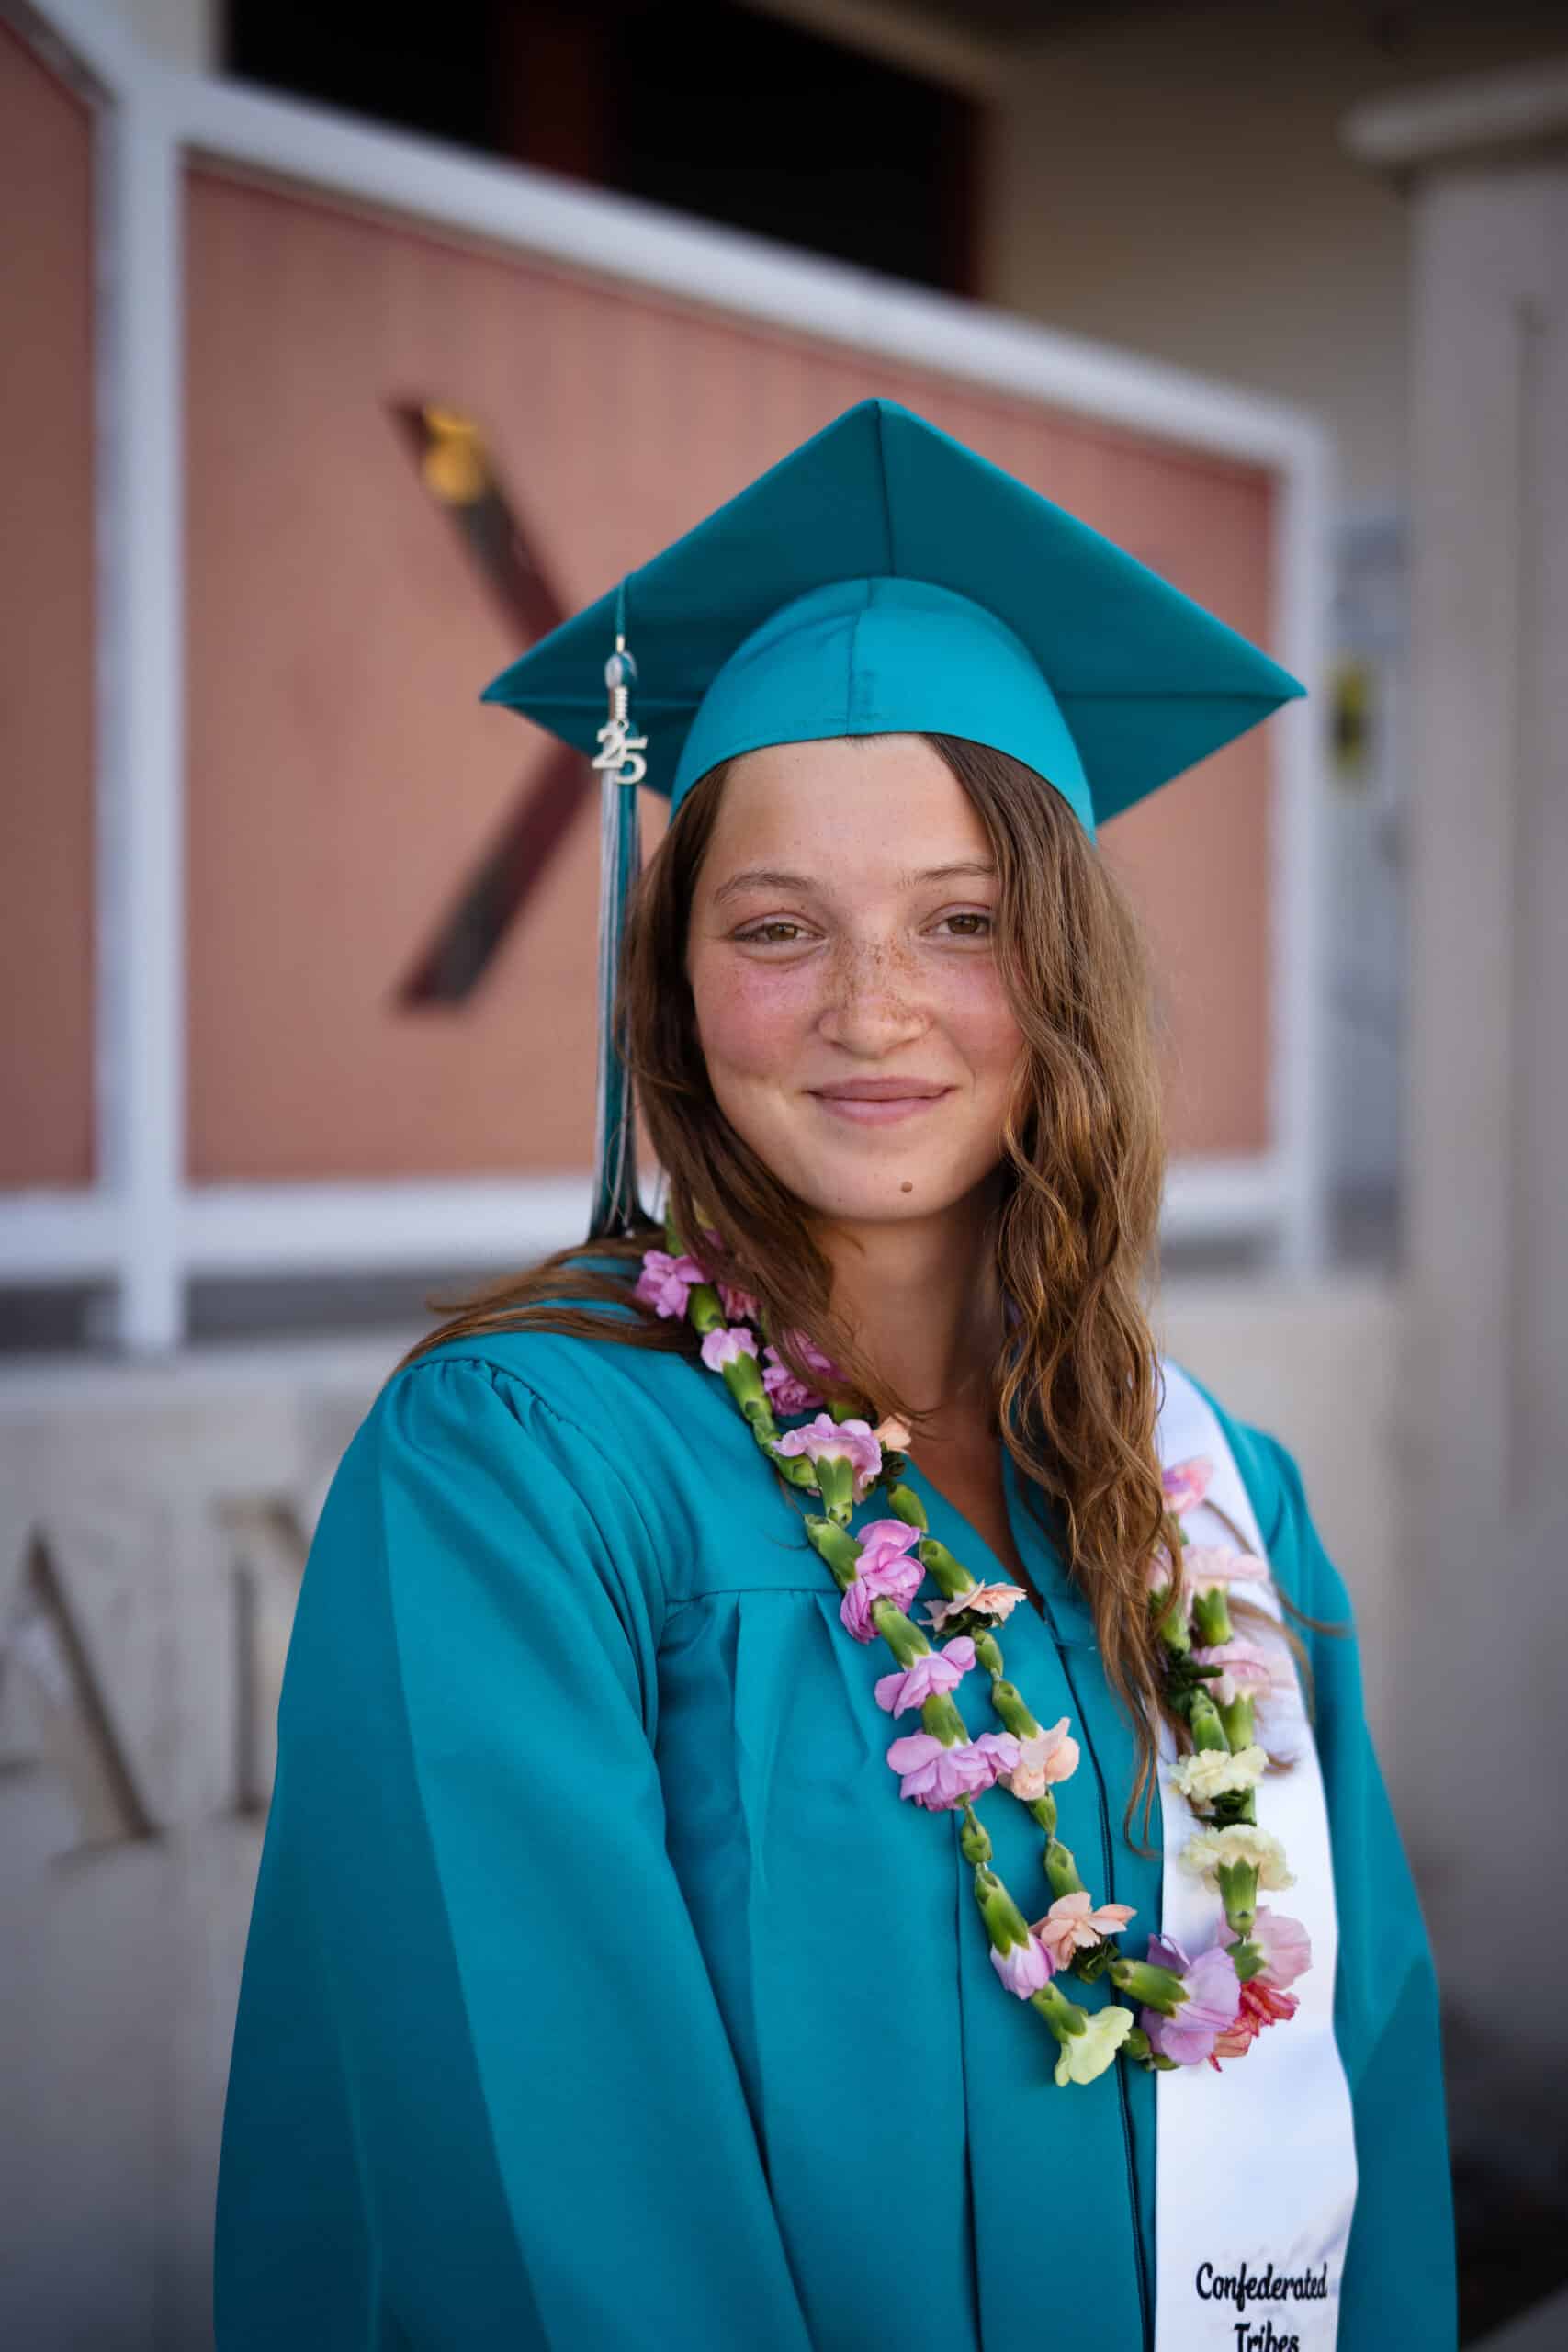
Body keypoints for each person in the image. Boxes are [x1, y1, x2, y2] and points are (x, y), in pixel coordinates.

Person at [214, 401, 1455, 2350]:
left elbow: (1359, 2101)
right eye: (777, 927)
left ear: (1063, 969)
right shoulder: (519, 1474)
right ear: (674, 987)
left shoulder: (1218, 1501)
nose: (872, 1011)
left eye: (962, 923)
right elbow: (546, 2210)